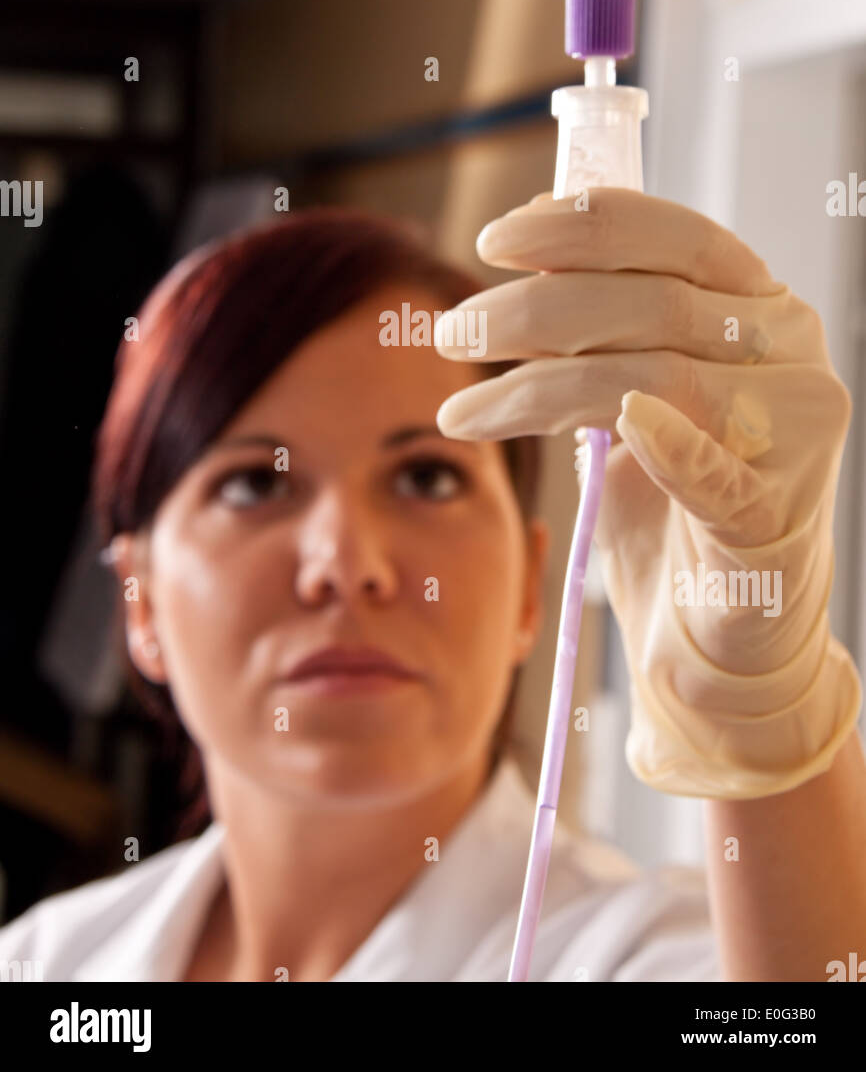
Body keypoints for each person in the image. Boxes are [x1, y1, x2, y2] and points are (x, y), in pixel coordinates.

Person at [0, 197, 863, 982]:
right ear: (140, 602)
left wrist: (766, 697)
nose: (347, 563)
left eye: (425, 477)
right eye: (256, 485)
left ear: (531, 585)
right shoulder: (46, 964)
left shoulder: (643, 959)